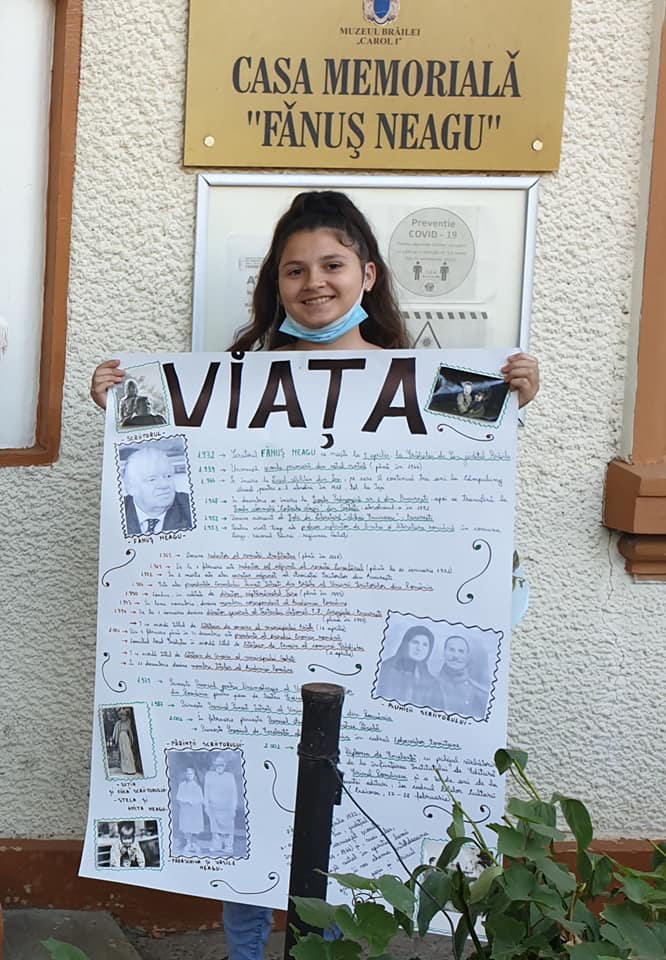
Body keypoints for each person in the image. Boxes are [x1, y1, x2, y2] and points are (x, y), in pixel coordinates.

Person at [90, 190, 539, 960]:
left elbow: (464, 499)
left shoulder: (427, 384)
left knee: (339, 812)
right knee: (244, 806)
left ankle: (327, 949)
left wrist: (516, 393)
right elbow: (175, 483)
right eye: (294, 270)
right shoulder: (235, 385)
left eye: (332, 264)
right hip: (254, 640)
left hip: (357, 646)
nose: (314, 282)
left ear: (368, 274)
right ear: (276, 284)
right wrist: (120, 403)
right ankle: (244, 952)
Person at [122, 445, 192, 536]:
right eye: (152, 479)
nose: (164, 485)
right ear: (130, 488)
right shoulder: (118, 512)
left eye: (168, 476)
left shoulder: (189, 507)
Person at [375, 625, 440, 708]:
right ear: (405, 644)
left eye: (425, 645)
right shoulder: (385, 669)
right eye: (415, 642)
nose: (419, 648)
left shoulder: (431, 681)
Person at [438, 635, 488, 719]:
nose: (455, 656)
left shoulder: (480, 694)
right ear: (444, 652)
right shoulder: (429, 682)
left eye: (461, 651)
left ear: (467, 656)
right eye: (451, 650)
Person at [204, 754, 238, 857]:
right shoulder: (209, 775)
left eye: (221, 765)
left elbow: (234, 793)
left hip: (227, 808)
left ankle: (228, 847)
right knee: (215, 829)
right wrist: (206, 806)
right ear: (215, 765)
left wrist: (233, 808)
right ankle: (216, 846)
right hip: (214, 807)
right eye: (217, 765)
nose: (219, 767)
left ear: (224, 765)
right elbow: (206, 792)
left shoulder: (229, 776)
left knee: (228, 829)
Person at [177, 767, 205, 855]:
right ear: (186, 775)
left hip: (195, 810)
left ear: (194, 775)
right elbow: (178, 797)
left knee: (195, 827)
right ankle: (188, 843)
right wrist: (186, 801)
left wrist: (194, 802)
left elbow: (201, 799)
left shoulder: (197, 787)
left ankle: (194, 844)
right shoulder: (182, 785)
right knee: (186, 827)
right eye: (188, 774)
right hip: (186, 809)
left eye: (191, 774)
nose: (189, 776)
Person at [112, 707, 138, 775]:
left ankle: (131, 769)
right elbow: (116, 732)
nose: (123, 717)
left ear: (126, 716)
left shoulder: (127, 723)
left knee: (128, 752)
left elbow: (130, 732)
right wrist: (115, 739)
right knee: (123, 752)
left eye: (124, 715)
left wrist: (131, 739)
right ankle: (125, 769)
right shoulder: (118, 723)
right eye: (122, 715)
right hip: (121, 738)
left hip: (126, 737)